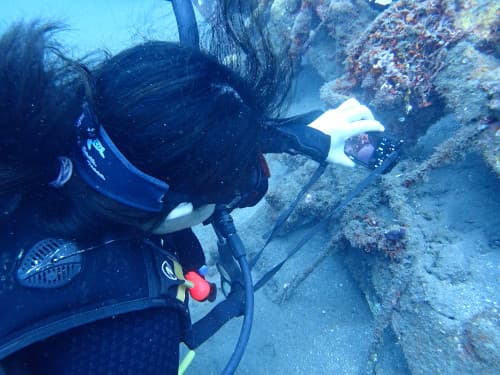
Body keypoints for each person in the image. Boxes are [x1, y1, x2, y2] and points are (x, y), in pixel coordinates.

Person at [0, 10, 384, 375]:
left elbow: (150, 136)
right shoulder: (134, 339)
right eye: (229, 192)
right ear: (178, 212)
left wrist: (293, 137)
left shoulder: (45, 126)